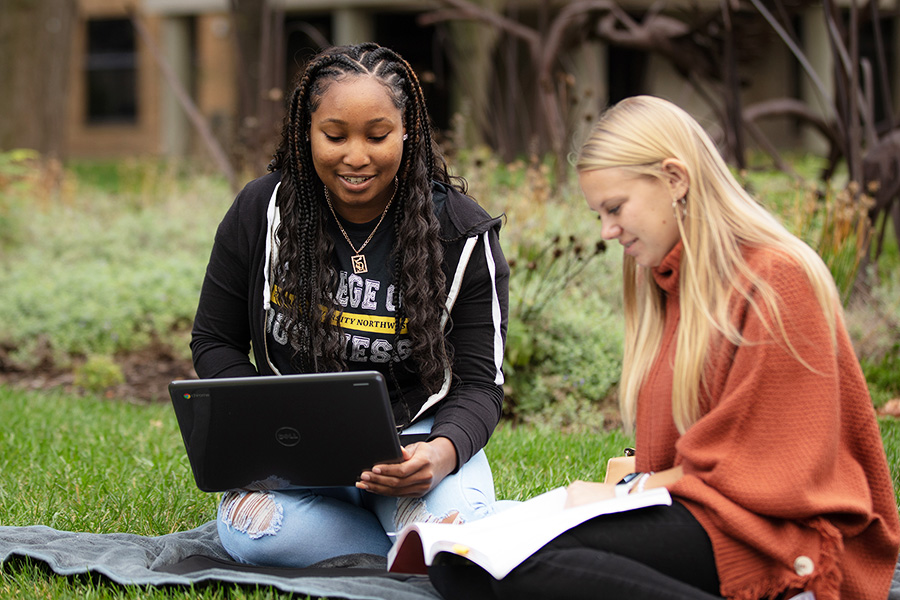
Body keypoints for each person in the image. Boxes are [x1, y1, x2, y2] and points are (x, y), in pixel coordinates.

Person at [429, 95, 900, 600]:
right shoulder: (670, 286)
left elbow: (760, 479)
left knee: (524, 568)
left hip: (781, 541)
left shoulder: (775, 281)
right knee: (460, 565)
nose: (608, 231)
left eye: (614, 208)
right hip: (704, 517)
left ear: (675, 179)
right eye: (599, 215)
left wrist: (619, 494)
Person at [190, 42, 509, 568]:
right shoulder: (260, 210)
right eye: (334, 136)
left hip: (413, 447)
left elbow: (481, 384)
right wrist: (268, 426)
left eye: (378, 135)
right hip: (297, 450)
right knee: (252, 532)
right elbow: (214, 341)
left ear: (408, 131)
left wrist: (438, 455)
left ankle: (428, 533)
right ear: (305, 132)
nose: (356, 156)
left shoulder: (462, 233)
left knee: (447, 534)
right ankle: (408, 547)